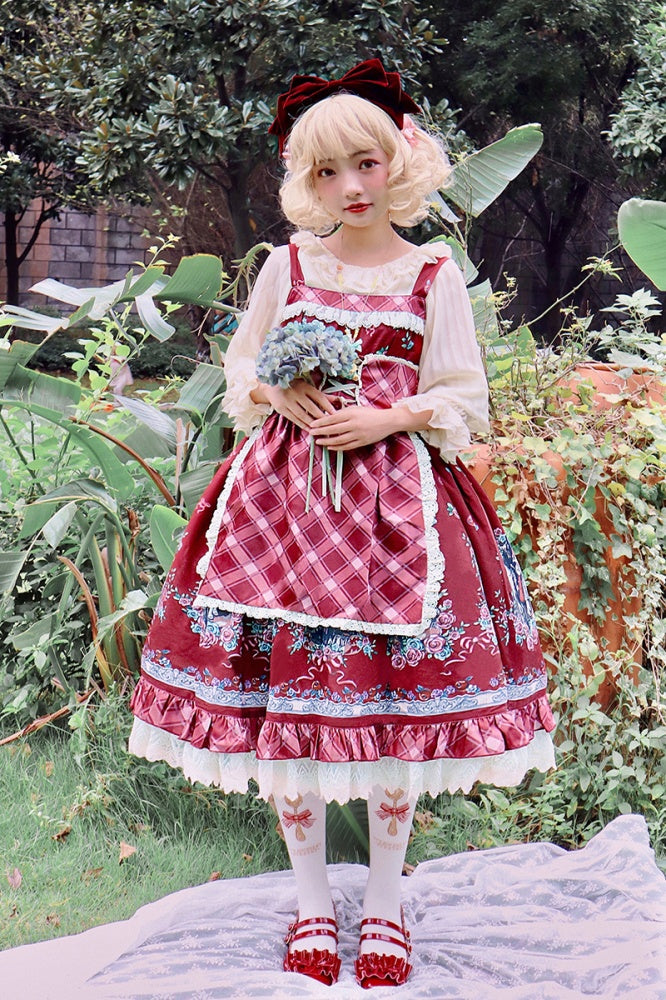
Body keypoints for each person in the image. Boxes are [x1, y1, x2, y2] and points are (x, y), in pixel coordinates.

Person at [128, 59, 556, 989]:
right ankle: (314, 898)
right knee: (290, 704)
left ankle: (390, 902)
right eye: (325, 174)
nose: (350, 189)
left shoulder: (431, 273)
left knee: (393, 711)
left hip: (404, 514)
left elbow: (463, 394)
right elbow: (242, 372)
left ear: (397, 160)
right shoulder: (288, 266)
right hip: (282, 512)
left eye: (363, 164)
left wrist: (389, 415)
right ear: (305, 183)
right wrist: (278, 389)